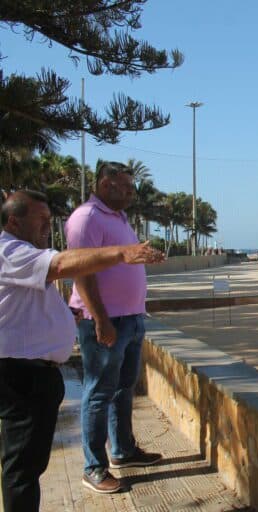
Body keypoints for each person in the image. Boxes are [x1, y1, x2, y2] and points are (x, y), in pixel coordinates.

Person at [0, 190, 164, 511]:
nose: (50, 226)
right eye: (42, 220)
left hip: (32, 372)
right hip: (20, 374)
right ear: (13, 220)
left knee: (28, 467)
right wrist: (121, 253)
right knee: (22, 470)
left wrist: (65, 315)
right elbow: (62, 263)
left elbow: (23, 307)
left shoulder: (19, 252)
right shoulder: (9, 250)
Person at [66, 162, 162, 494]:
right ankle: (94, 467)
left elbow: (118, 262)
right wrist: (101, 319)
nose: (133, 194)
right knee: (98, 392)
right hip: (105, 321)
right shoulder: (86, 218)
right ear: (107, 185)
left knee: (123, 388)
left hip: (132, 318)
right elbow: (81, 271)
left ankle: (123, 450)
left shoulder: (119, 219)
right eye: (128, 188)